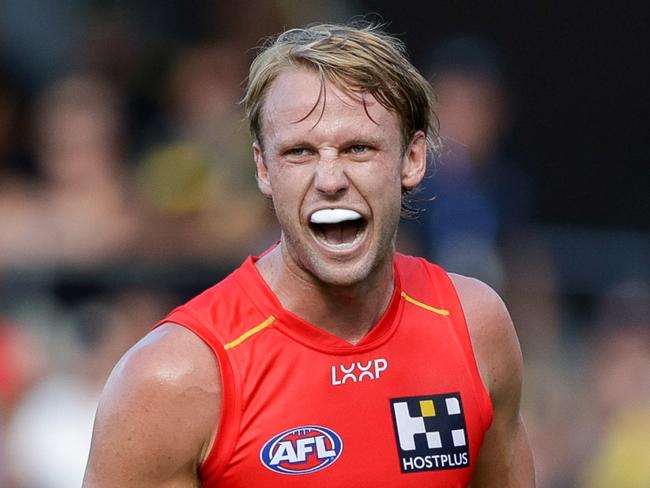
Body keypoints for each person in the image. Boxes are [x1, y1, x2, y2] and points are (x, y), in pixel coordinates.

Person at [83, 22, 534, 487]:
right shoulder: (173, 378)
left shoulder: (474, 327)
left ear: (412, 159)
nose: (330, 179)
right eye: (300, 152)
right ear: (263, 168)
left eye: (358, 148)